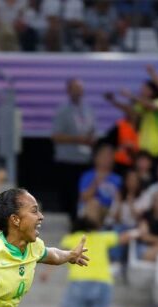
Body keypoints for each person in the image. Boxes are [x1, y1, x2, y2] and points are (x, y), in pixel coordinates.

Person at [51, 78, 96, 218]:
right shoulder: (63, 110)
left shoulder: (88, 109)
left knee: (83, 194)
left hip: (84, 159)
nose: (79, 92)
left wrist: (91, 138)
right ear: (69, 91)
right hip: (68, 160)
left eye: (80, 89)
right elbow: (56, 136)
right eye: (75, 89)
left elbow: (91, 129)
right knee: (68, 195)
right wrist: (78, 139)